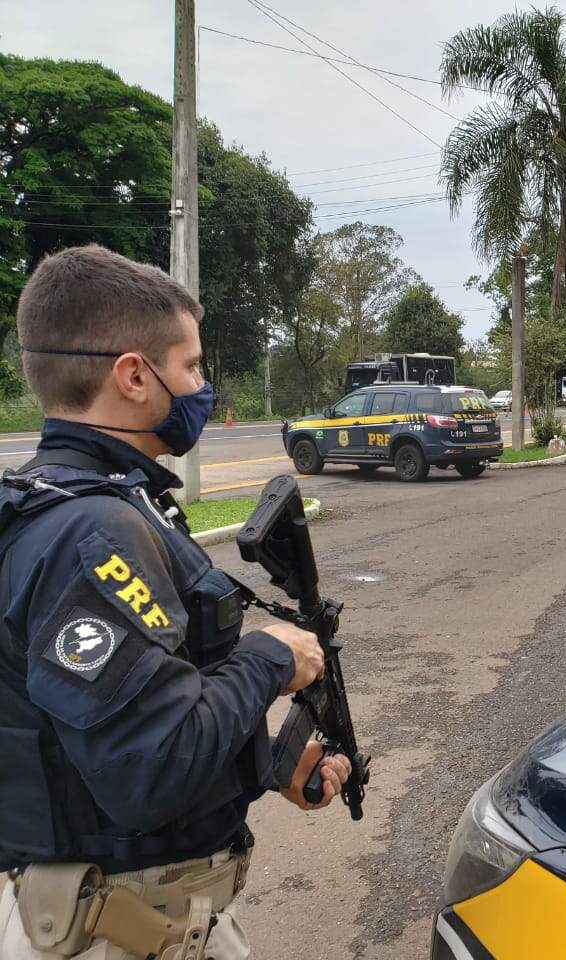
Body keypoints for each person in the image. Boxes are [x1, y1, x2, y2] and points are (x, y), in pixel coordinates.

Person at [0, 245, 352, 959]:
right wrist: (268, 659)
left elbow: (118, 716)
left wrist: (264, 764)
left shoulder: (90, 500)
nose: (202, 386)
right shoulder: (91, 532)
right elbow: (147, 771)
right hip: (112, 930)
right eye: (190, 366)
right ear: (134, 376)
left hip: (143, 913)